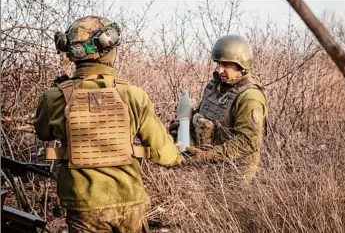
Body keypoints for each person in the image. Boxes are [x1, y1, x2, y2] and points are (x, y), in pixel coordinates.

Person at [34, 15, 184, 233]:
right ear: (110, 50)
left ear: (71, 53)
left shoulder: (54, 97)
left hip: (84, 203)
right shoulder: (133, 95)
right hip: (129, 199)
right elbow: (163, 152)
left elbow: (43, 133)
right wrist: (179, 158)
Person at [170, 35, 268, 181]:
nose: (220, 70)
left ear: (241, 65)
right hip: (206, 169)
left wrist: (206, 156)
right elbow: (204, 115)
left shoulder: (250, 97)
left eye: (226, 65)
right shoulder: (215, 86)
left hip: (233, 174)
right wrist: (183, 127)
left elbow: (247, 141)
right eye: (218, 64)